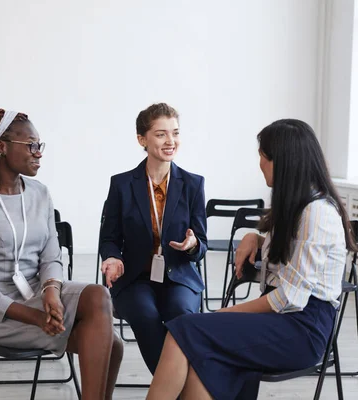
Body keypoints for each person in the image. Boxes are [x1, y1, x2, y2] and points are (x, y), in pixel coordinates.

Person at [146, 119, 357, 400]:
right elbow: (286, 263)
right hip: (282, 320)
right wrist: (254, 238)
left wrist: (222, 314)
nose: (259, 164)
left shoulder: (316, 213)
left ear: (282, 162)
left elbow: (287, 299)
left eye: (263, 157)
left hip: (302, 329)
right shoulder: (295, 207)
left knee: (185, 330)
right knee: (201, 356)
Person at [0, 109, 123, 399]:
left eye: (39, 146)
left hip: (37, 293)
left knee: (98, 296)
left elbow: (51, 256)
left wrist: (51, 292)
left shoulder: (40, 194)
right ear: (1, 147)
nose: (38, 153)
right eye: (31, 145)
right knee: (113, 344)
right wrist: (34, 316)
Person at [99, 103, 207, 373]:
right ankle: (179, 390)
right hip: (135, 278)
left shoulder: (193, 184)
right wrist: (112, 257)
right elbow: (109, 238)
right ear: (142, 140)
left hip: (179, 276)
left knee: (181, 313)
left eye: (175, 133)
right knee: (145, 315)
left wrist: (193, 246)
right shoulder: (122, 185)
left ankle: (174, 389)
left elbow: (201, 243)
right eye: (160, 134)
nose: (170, 141)